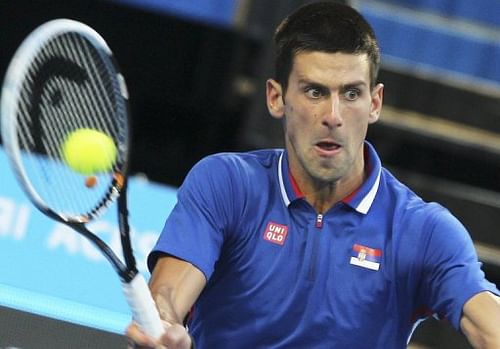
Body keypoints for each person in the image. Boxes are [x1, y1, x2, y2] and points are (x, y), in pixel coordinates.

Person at [127, 2, 500, 348]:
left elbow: (488, 324)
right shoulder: (227, 185)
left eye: (351, 94)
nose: (333, 115)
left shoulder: (423, 231)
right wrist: (163, 324)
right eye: (314, 91)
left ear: (375, 103)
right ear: (276, 98)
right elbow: (171, 293)